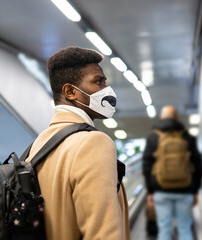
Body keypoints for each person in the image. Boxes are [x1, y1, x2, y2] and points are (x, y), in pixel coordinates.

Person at [25, 46, 130, 240]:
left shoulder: (40, 143)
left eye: (105, 82)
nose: (106, 90)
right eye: (98, 82)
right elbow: (103, 233)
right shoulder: (94, 143)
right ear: (70, 92)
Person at [142, 105, 202, 240]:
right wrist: (195, 190)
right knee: (184, 229)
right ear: (177, 118)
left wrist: (150, 191)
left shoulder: (153, 137)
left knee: (164, 229)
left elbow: (147, 165)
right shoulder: (187, 137)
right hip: (185, 190)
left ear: (161, 117)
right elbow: (198, 165)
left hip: (160, 190)